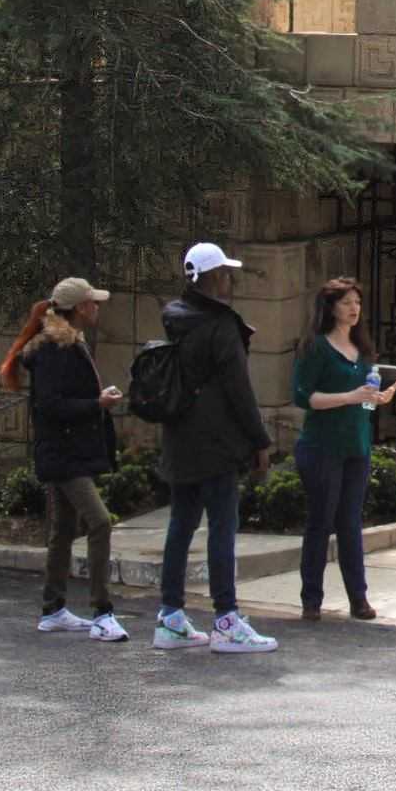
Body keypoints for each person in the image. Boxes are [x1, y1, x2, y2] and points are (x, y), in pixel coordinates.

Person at [153, 242, 278, 654]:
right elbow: (239, 391)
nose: (229, 279)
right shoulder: (221, 326)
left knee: (181, 526)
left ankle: (170, 617)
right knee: (222, 529)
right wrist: (259, 440)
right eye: (223, 272)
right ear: (209, 278)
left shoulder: (176, 318)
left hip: (181, 440)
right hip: (218, 443)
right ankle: (226, 619)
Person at [4, 277, 127, 643]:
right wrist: (97, 405)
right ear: (77, 309)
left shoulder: (66, 343)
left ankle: (53, 608)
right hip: (62, 453)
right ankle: (102, 612)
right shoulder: (55, 349)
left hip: (64, 450)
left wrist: (96, 400)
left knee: (63, 531)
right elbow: (51, 406)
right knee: (100, 522)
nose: (97, 308)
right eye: (92, 303)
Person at [292, 276, 396, 622]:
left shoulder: (364, 350)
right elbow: (304, 397)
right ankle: (312, 599)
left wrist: (376, 400)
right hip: (322, 446)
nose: (354, 309)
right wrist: (349, 397)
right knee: (321, 522)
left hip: (357, 444)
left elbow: (365, 402)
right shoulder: (316, 347)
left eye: (357, 302)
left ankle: (359, 598)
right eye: (346, 303)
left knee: (351, 523)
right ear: (331, 308)